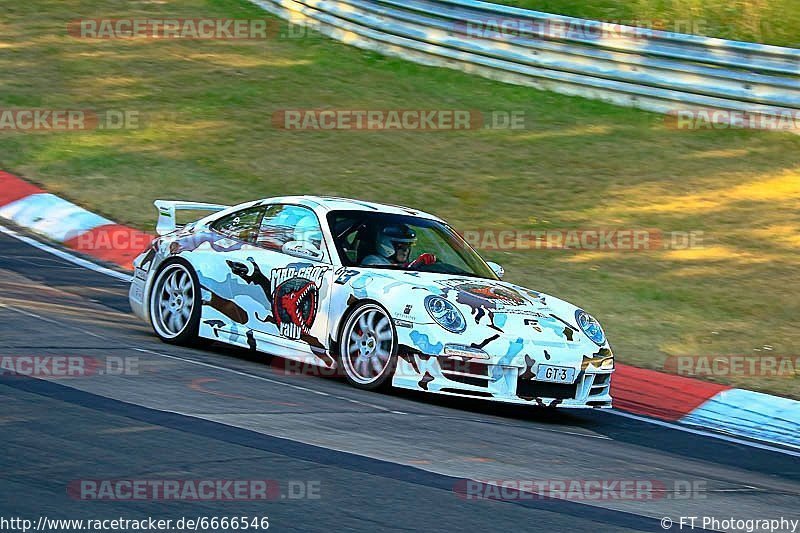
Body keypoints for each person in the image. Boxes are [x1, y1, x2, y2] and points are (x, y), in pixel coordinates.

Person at [362, 224, 436, 268]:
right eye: (401, 246)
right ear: (386, 245)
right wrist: (414, 264)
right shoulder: (371, 260)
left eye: (408, 246)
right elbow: (389, 271)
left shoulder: (405, 264)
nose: (406, 250)